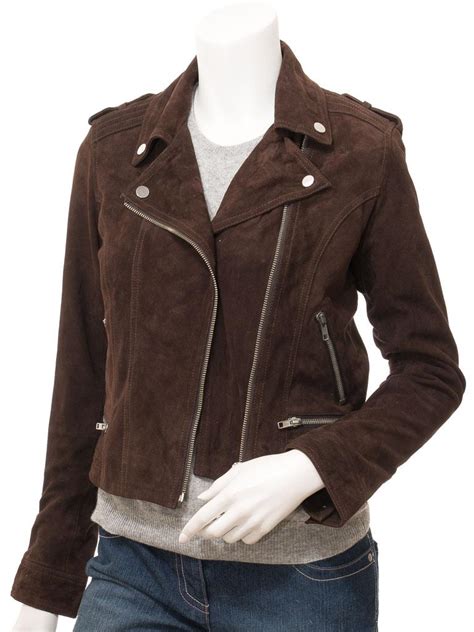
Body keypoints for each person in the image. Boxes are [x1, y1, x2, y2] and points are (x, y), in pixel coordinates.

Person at [11, 4, 465, 632]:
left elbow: (430, 372)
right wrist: (47, 580)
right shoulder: (114, 150)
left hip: (301, 576)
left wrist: (312, 465)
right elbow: (83, 374)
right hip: (131, 569)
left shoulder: (361, 150)